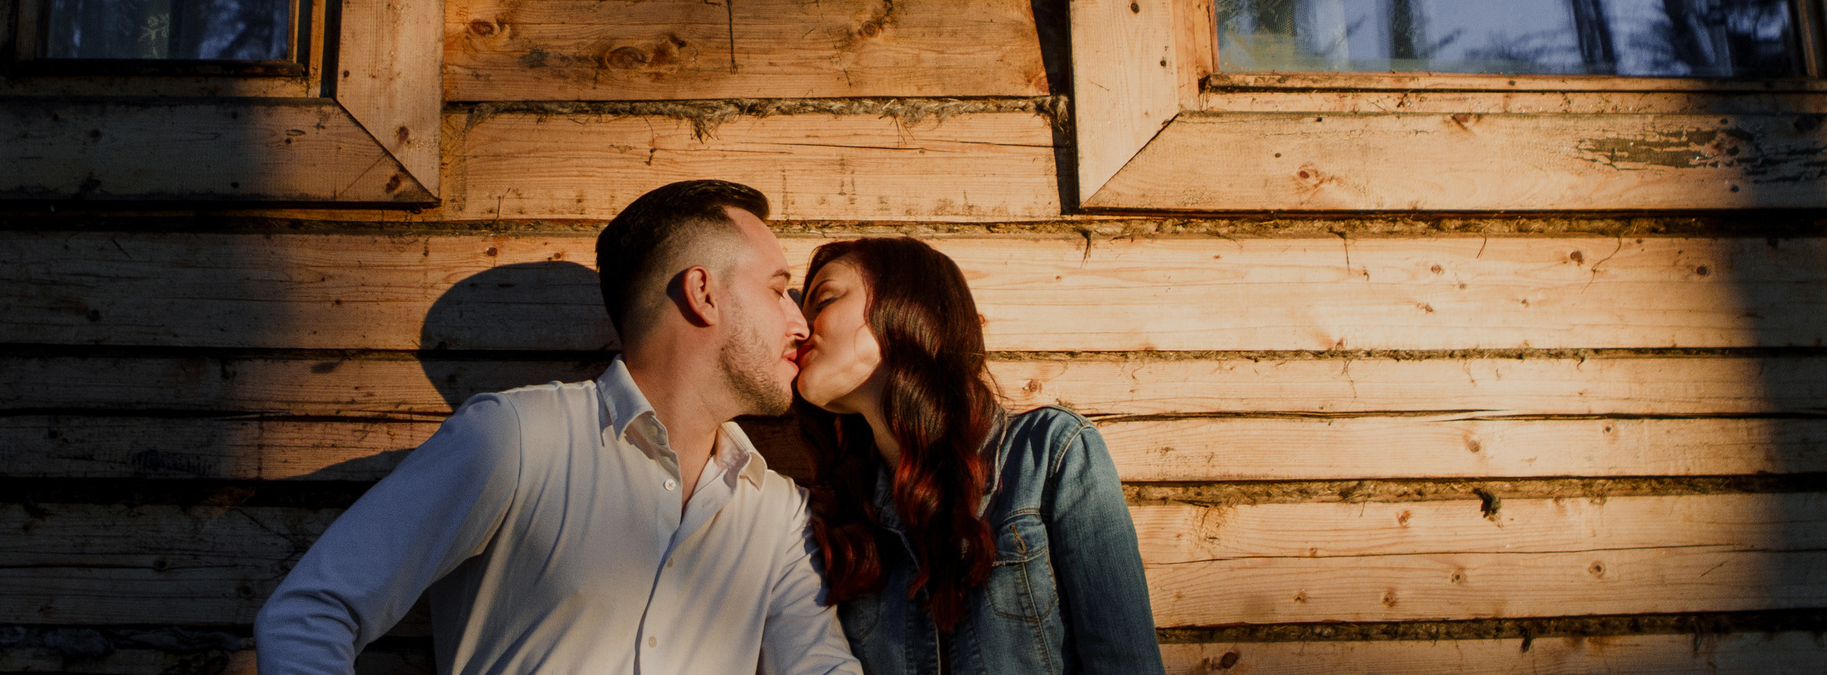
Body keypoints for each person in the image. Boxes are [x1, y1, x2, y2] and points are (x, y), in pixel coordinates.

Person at [256, 179, 860, 675]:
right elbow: (312, 613)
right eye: (779, 290)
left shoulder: (779, 515)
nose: (799, 323)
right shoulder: (517, 439)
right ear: (703, 293)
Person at [791, 236, 1164, 675]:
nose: (800, 327)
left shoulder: (1050, 454)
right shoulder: (842, 514)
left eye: (825, 298)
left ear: (905, 305)